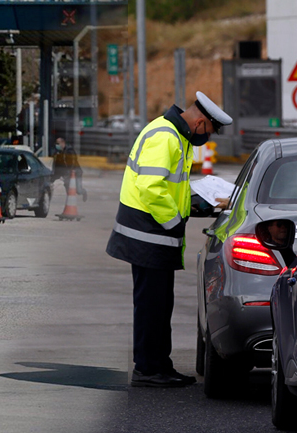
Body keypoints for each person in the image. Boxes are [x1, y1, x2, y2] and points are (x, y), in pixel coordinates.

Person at [106, 91, 233, 387]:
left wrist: (208, 204)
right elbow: (152, 189)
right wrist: (176, 222)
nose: (207, 138)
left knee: (160, 306)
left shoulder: (175, 136)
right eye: (209, 131)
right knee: (152, 306)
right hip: (148, 236)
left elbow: (171, 190)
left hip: (154, 236)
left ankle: (159, 364)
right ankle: (148, 369)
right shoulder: (166, 137)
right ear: (200, 121)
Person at [52, 137, 88, 202]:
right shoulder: (58, 153)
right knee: (67, 187)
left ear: (63, 143)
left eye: (58, 143)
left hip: (76, 173)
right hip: (67, 174)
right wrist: (53, 177)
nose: (56, 145)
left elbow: (73, 163)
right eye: (56, 143)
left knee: (78, 190)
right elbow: (57, 166)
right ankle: (70, 204)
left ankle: (83, 192)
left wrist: (69, 173)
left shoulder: (69, 151)